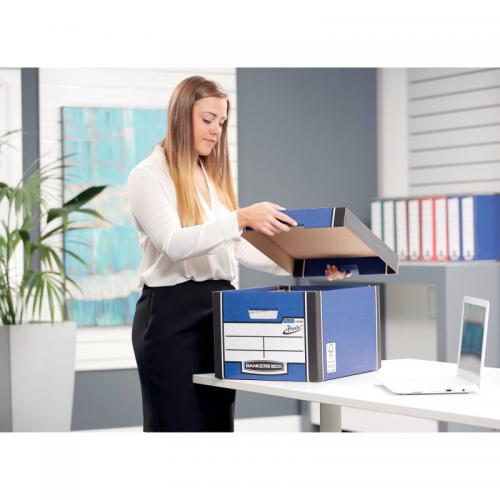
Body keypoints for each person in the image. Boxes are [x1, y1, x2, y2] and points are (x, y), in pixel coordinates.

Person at [126, 75, 350, 432]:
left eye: (222, 122)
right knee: (177, 429)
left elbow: (235, 245)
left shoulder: (209, 176)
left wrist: (308, 265)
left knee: (218, 426)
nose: (216, 130)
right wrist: (241, 218)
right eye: (207, 119)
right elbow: (174, 243)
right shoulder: (147, 176)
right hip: (171, 317)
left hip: (218, 312)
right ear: (181, 115)